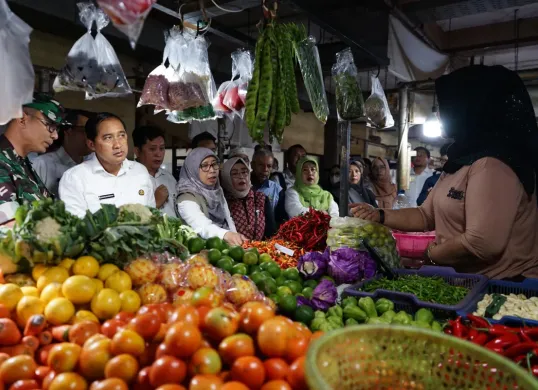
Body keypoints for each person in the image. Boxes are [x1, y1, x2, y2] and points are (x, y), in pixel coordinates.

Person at [351, 65, 538, 280]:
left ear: (471, 107)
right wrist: (381, 215)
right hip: (470, 283)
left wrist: (431, 254)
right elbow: (425, 215)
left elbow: (482, 243)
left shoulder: (493, 164)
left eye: (446, 106)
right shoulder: (462, 160)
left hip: (502, 290)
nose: (439, 114)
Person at [59, 113, 156, 217]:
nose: (118, 145)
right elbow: (77, 225)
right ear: (91, 144)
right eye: (108, 138)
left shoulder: (140, 171)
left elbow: (152, 215)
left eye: (121, 135)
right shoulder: (75, 178)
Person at [0, 94, 67, 224]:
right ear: (22, 119)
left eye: (57, 128)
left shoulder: (21, 163)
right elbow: (10, 228)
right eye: (50, 125)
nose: (55, 135)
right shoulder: (3, 163)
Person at [176, 148, 246, 245]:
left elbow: (228, 218)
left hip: (224, 252)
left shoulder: (216, 190)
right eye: (205, 166)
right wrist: (226, 235)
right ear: (193, 169)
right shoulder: (186, 198)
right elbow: (201, 225)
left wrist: (235, 236)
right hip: (198, 256)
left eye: (214, 164)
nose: (212, 170)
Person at [32, 109, 94, 196]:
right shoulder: (43, 164)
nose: (91, 137)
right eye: (86, 131)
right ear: (68, 131)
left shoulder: (95, 165)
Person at [221, 157, 276, 240]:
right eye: (235, 174)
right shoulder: (223, 202)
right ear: (226, 178)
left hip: (262, 250)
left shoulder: (261, 198)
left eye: (244, 172)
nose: (241, 177)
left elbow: (271, 232)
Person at [132, 126, 177, 217]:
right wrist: (155, 203)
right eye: (152, 149)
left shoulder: (169, 178)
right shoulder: (129, 177)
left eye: (162, 148)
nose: (158, 154)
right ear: (137, 151)